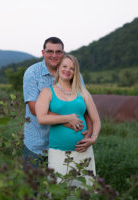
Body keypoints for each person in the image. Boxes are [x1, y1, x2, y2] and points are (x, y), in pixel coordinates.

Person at [23, 37, 93, 169]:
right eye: (50, 51)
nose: (54, 55)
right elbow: (34, 108)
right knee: (34, 187)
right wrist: (68, 121)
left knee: (65, 187)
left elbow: (84, 105)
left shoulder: (73, 74)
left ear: (63, 53)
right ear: (43, 53)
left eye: (58, 52)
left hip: (69, 148)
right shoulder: (32, 73)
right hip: (38, 144)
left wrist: (89, 131)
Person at [35, 54, 101, 185]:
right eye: (64, 66)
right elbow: (41, 118)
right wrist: (67, 118)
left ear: (75, 72)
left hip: (84, 152)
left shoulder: (83, 92)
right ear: (58, 68)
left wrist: (93, 137)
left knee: (84, 191)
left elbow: (96, 120)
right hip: (58, 153)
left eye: (72, 68)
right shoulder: (47, 92)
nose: (67, 70)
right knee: (59, 190)